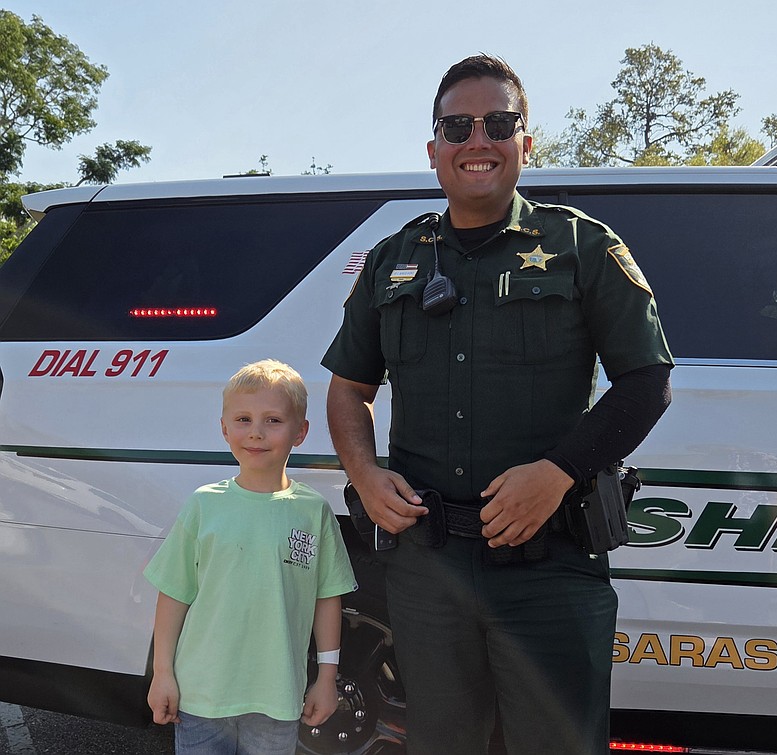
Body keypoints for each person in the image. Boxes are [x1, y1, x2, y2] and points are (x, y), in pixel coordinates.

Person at [322, 54, 673, 755]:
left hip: (551, 567)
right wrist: (363, 474)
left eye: (498, 123)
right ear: (434, 149)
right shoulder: (395, 258)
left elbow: (647, 381)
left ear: (525, 142)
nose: (477, 139)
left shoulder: (580, 246)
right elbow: (348, 390)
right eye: (458, 125)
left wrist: (559, 471)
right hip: (429, 568)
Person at [144, 359, 357, 755]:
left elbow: (326, 598)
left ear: (301, 432)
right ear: (224, 428)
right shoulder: (203, 506)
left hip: (276, 699)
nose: (256, 433)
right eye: (243, 419)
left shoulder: (313, 512)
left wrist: (327, 677)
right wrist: (162, 673)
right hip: (201, 696)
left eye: (273, 420)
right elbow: (174, 594)